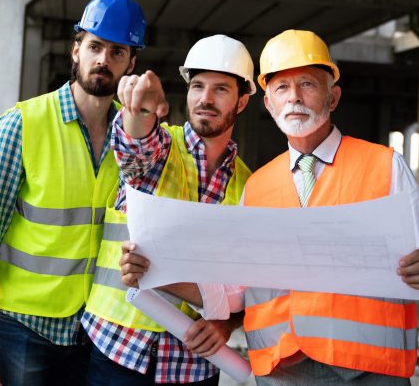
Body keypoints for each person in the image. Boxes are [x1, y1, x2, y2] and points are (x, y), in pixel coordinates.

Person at [121, 29, 419, 386]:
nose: (294, 97)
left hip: (369, 368)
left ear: (333, 97)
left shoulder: (385, 166)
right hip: (280, 370)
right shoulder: (258, 186)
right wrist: (157, 271)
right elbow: (234, 289)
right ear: (269, 105)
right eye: (281, 88)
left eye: (307, 84)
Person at [0, 0, 146, 386]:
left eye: (117, 51)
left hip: (92, 332)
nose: (103, 60)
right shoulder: (23, 124)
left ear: (131, 63)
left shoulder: (132, 142)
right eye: (95, 46)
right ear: (76, 50)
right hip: (21, 328)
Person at [82, 34, 255, 385]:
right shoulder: (163, 147)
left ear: (242, 101)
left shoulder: (251, 186)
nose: (205, 99)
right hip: (117, 349)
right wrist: (141, 111)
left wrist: (228, 323)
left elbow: (251, 281)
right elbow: (134, 147)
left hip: (192, 364)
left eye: (221, 89)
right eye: (198, 86)